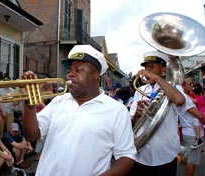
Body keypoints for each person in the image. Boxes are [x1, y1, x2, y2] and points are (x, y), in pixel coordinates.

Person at [22, 45, 136, 176]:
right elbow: (31, 135)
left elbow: (126, 156)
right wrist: (28, 101)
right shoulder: (59, 101)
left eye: (78, 70)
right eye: (69, 70)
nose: (70, 74)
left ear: (95, 75)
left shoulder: (117, 110)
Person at [129, 51, 186, 176]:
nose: (147, 70)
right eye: (146, 67)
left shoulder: (174, 88)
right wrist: (138, 114)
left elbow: (179, 100)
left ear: (163, 69)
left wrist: (156, 78)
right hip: (141, 153)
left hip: (164, 153)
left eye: (152, 66)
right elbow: (134, 121)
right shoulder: (141, 90)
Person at [179, 78, 205, 176]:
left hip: (189, 132)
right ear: (183, 86)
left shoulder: (184, 97)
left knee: (190, 157)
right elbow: (199, 116)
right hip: (192, 133)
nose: (191, 85)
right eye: (189, 83)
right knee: (192, 161)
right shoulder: (185, 98)